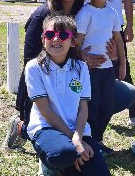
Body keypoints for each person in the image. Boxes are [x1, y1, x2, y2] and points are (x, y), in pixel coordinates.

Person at [4, 0, 135, 153]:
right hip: (47, 87)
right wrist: (81, 59)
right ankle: (23, 127)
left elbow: (106, 42)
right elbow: (32, 64)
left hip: (80, 79)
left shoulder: (84, 12)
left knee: (125, 93)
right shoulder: (41, 17)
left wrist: (114, 57)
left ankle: (90, 137)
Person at [25, 13, 110, 175]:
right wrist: (74, 141)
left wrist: (78, 136)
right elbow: (45, 111)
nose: (56, 39)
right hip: (47, 128)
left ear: (73, 42)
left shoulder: (81, 67)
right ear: (43, 39)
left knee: (98, 171)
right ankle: (48, 162)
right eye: (50, 34)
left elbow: (83, 108)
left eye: (63, 35)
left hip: (77, 130)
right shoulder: (34, 67)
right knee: (63, 155)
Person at [75, 0, 127, 156]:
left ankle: (98, 139)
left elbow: (118, 40)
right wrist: (82, 59)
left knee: (108, 105)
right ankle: (91, 141)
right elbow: (77, 42)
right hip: (89, 70)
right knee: (92, 107)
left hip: (107, 69)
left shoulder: (112, 12)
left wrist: (121, 64)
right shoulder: (85, 13)